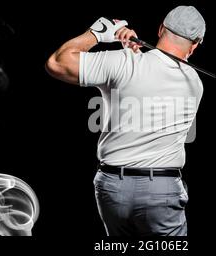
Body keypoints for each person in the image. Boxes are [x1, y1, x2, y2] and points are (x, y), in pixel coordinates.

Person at [46, 6, 205, 236]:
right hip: (161, 189)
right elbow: (151, 80)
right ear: (196, 44)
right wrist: (131, 55)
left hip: (112, 190)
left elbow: (57, 62)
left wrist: (99, 32)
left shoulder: (124, 63)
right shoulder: (195, 82)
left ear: (161, 29)